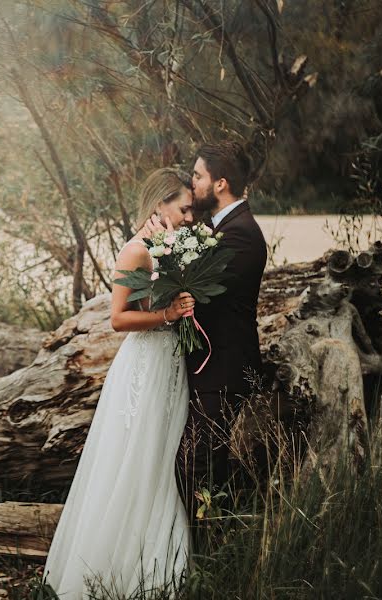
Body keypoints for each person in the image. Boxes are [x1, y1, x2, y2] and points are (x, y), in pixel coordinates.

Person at [42, 168, 196, 598]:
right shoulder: (135, 251)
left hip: (172, 365)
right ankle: (113, 569)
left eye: (190, 210)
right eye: (183, 208)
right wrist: (168, 315)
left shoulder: (175, 245)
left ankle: (156, 560)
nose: (188, 217)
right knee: (135, 456)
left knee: (162, 457)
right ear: (159, 204)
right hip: (144, 367)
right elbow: (118, 319)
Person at [171, 141, 267, 529]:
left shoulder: (240, 234)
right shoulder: (220, 228)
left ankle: (210, 547)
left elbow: (200, 293)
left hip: (225, 369)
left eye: (197, 176)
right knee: (205, 460)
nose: (191, 184)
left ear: (220, 184)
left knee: (197, 461)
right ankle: (207, 544)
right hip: (211, 368)